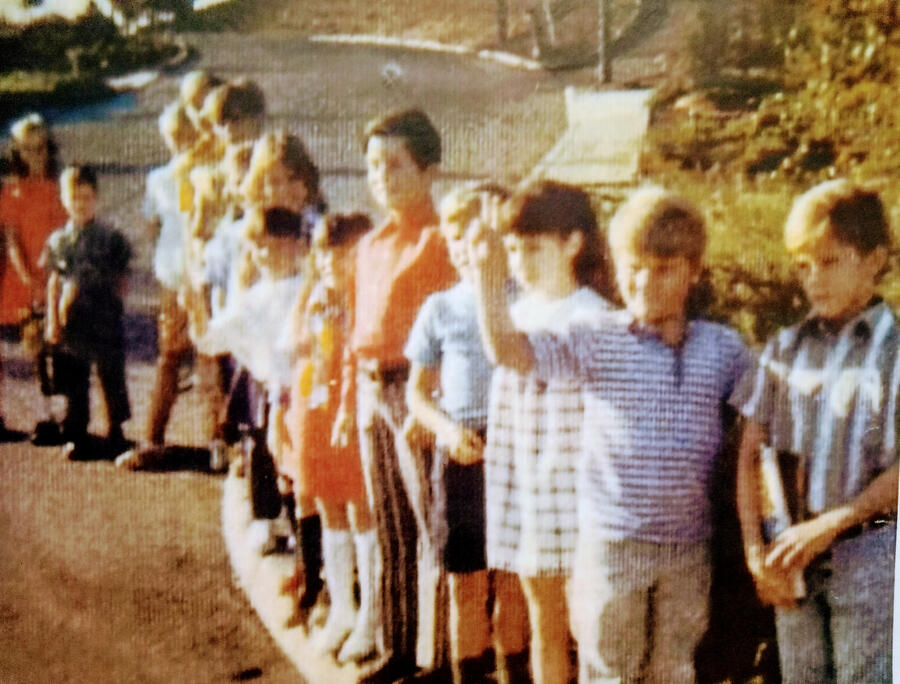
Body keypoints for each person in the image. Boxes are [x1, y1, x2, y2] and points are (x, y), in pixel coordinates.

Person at [469, 185, 749, 684]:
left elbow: (763, 425)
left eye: (662, 269)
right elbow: (509, 352)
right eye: (633, 266)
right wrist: (489, 279)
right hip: (612, 545)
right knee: (610, 670)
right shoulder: (597, 336)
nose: (644, 282)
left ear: (693, 271)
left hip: (688, 547)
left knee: (674, 671)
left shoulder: (722, 348)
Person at [731, 179, 898, 683]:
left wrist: (832, 525)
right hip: (791, 558)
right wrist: (755, 552)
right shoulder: (785, 350)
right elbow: (750, 456)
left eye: (829, 262)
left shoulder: (893, 353)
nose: (813, 280)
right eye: (803, 266)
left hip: (870, 556)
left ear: (874, 259)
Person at [473, 180, 613, 684]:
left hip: (573, 487)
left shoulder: (591, 314)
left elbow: (506, 352)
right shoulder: (522, 310)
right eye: (511, 249)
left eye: (533, 248)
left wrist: (485, 278)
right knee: (544, 619)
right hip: (528, 482)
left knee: (589, 625)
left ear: (573, 244)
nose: (518, 261)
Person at [337, 108, 457, 683]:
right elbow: (355, 330)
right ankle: (399, 647)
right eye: (373, 165)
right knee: (389, 523)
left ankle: (440, 656)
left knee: (427, 521)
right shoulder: (369, 245)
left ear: (429, 169)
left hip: (415, 389)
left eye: (396, 164)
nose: (383, 176)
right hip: (369, 388)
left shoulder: (440, 240)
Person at [406, 185, 526, 684]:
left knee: (515, 581)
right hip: (461, 452)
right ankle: (468, 673)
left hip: (517, 446)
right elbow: (418, 395)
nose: (465, 249)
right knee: (466, 584)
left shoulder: (526, 301)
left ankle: (514, 669)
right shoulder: (439, 308)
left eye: (479, 237)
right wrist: (446, 429)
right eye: (455, 236)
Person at [283, 213, 377, 665]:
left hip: (349, 410)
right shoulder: (316, 296)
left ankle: (371, 618)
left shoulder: (364, 299)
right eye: (326, 252)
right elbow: (300, 353)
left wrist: (346, 406)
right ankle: (342, 608)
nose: (333, 262)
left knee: (362, 507)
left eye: (346, 253)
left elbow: (358, 358)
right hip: (314, 412)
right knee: (327, 503)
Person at [116, 102, 198, 468]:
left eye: (185, 136)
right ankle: (154, 435)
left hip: (197, 272)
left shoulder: (198, 175)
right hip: (177, 274)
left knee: (201, 358)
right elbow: (152, 224)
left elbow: (154, 226)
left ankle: (217, 439)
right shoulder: (164, 179)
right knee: (172, 354)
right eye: (175, 138)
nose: (180, 143)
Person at [44, 165, 132, 461]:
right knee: (74, 376)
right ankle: (77, 433)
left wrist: (118, 299)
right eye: (74, 198)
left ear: (96, 198)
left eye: (86, 197)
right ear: (64, 200)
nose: (80, 204)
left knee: (111, 373)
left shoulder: (110, 237)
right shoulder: (59, 241)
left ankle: (116, 429)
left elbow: (122, 273)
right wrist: (52, 319)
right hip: (74, 316)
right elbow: (54, 280)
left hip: (104, 312)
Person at [0, 113, 67, 441]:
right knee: (21, 347)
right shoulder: (12, 192)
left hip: (53, 275)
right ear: (17, 153)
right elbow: (11, 240)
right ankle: (17, 414)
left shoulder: (59, 189)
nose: (35, 156)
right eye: (27, 150)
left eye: (40, 149)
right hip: (21, 278)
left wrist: (53, 276)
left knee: (49, 350)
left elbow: (66, 234)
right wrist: (29, 279)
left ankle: (52, 415)